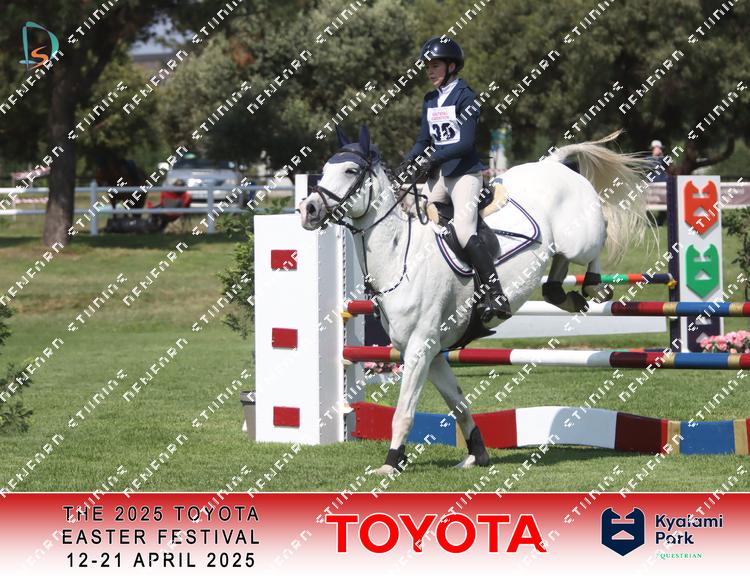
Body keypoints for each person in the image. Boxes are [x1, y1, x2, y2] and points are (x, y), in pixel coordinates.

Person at [397, 36, 511, 321]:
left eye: (435, 66)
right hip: (440, 176)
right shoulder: (430, 99)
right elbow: (424, 140)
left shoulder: (466, 97)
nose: (430, 71)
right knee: (413, 217)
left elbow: (465, 143)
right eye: (428, 67)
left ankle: (496, 293)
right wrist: (408, 160)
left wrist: (433, 159)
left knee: (463, 230)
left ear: (451, 66)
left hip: (465, 174)